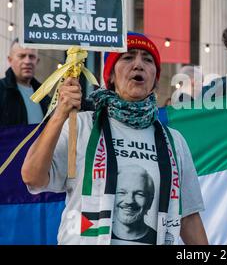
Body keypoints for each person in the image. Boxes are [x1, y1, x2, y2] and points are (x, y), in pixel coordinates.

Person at [22, 32, 208, 245]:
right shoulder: (81, 125)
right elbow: (32, 177)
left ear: (155, 79)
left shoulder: (174, 141)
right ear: (109, 76)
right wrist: (59, 115)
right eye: (128, 57)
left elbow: (188, 218)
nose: (138, 65)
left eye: (147, 60)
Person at [0, 38, 50, 126]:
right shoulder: (1, 91)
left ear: (37, 61)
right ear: (10, 60)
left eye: (32, 56)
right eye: (21, 56)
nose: (27, 61)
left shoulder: (44, 95)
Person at [112, 165, 157, 244]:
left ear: (150, 201)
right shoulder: (95, 234)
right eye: (122, 192)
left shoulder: (159, 239)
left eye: (139, 194)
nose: (129, 201)